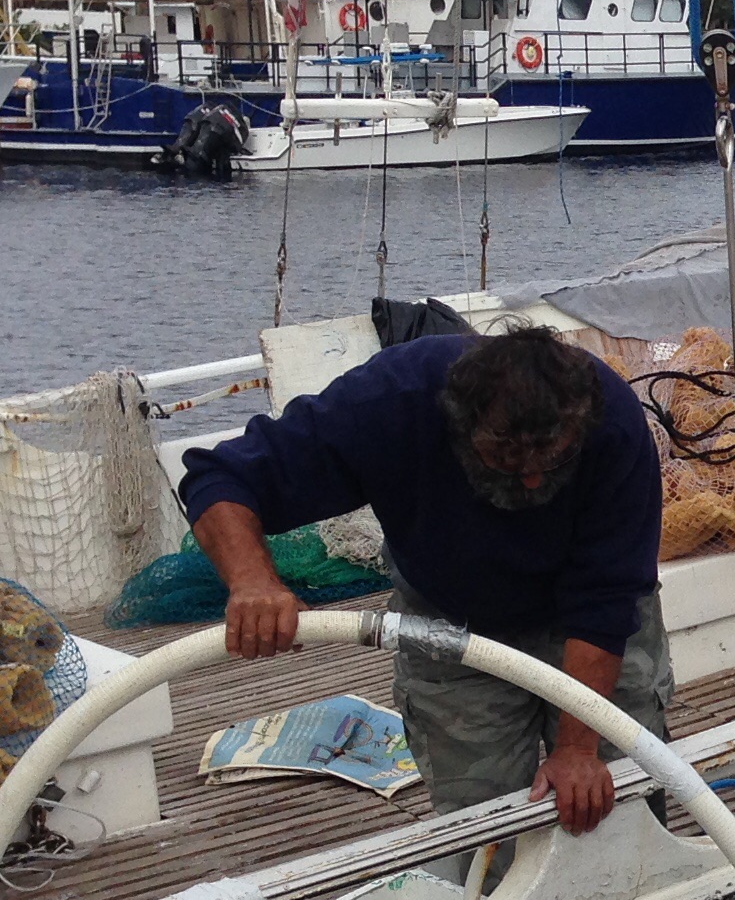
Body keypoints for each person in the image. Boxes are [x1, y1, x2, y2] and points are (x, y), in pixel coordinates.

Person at [181, 326, 669, 830]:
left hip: (594, 623)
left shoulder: (610, 420)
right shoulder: (391, 402)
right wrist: (253, 581)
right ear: (458, 425)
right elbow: (221, 477)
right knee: (488, 825)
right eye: (506, 459)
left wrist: (576, 748)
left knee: (621, 804)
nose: (531, 479)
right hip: (450, 618)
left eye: (554, 459)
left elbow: (606, 597)